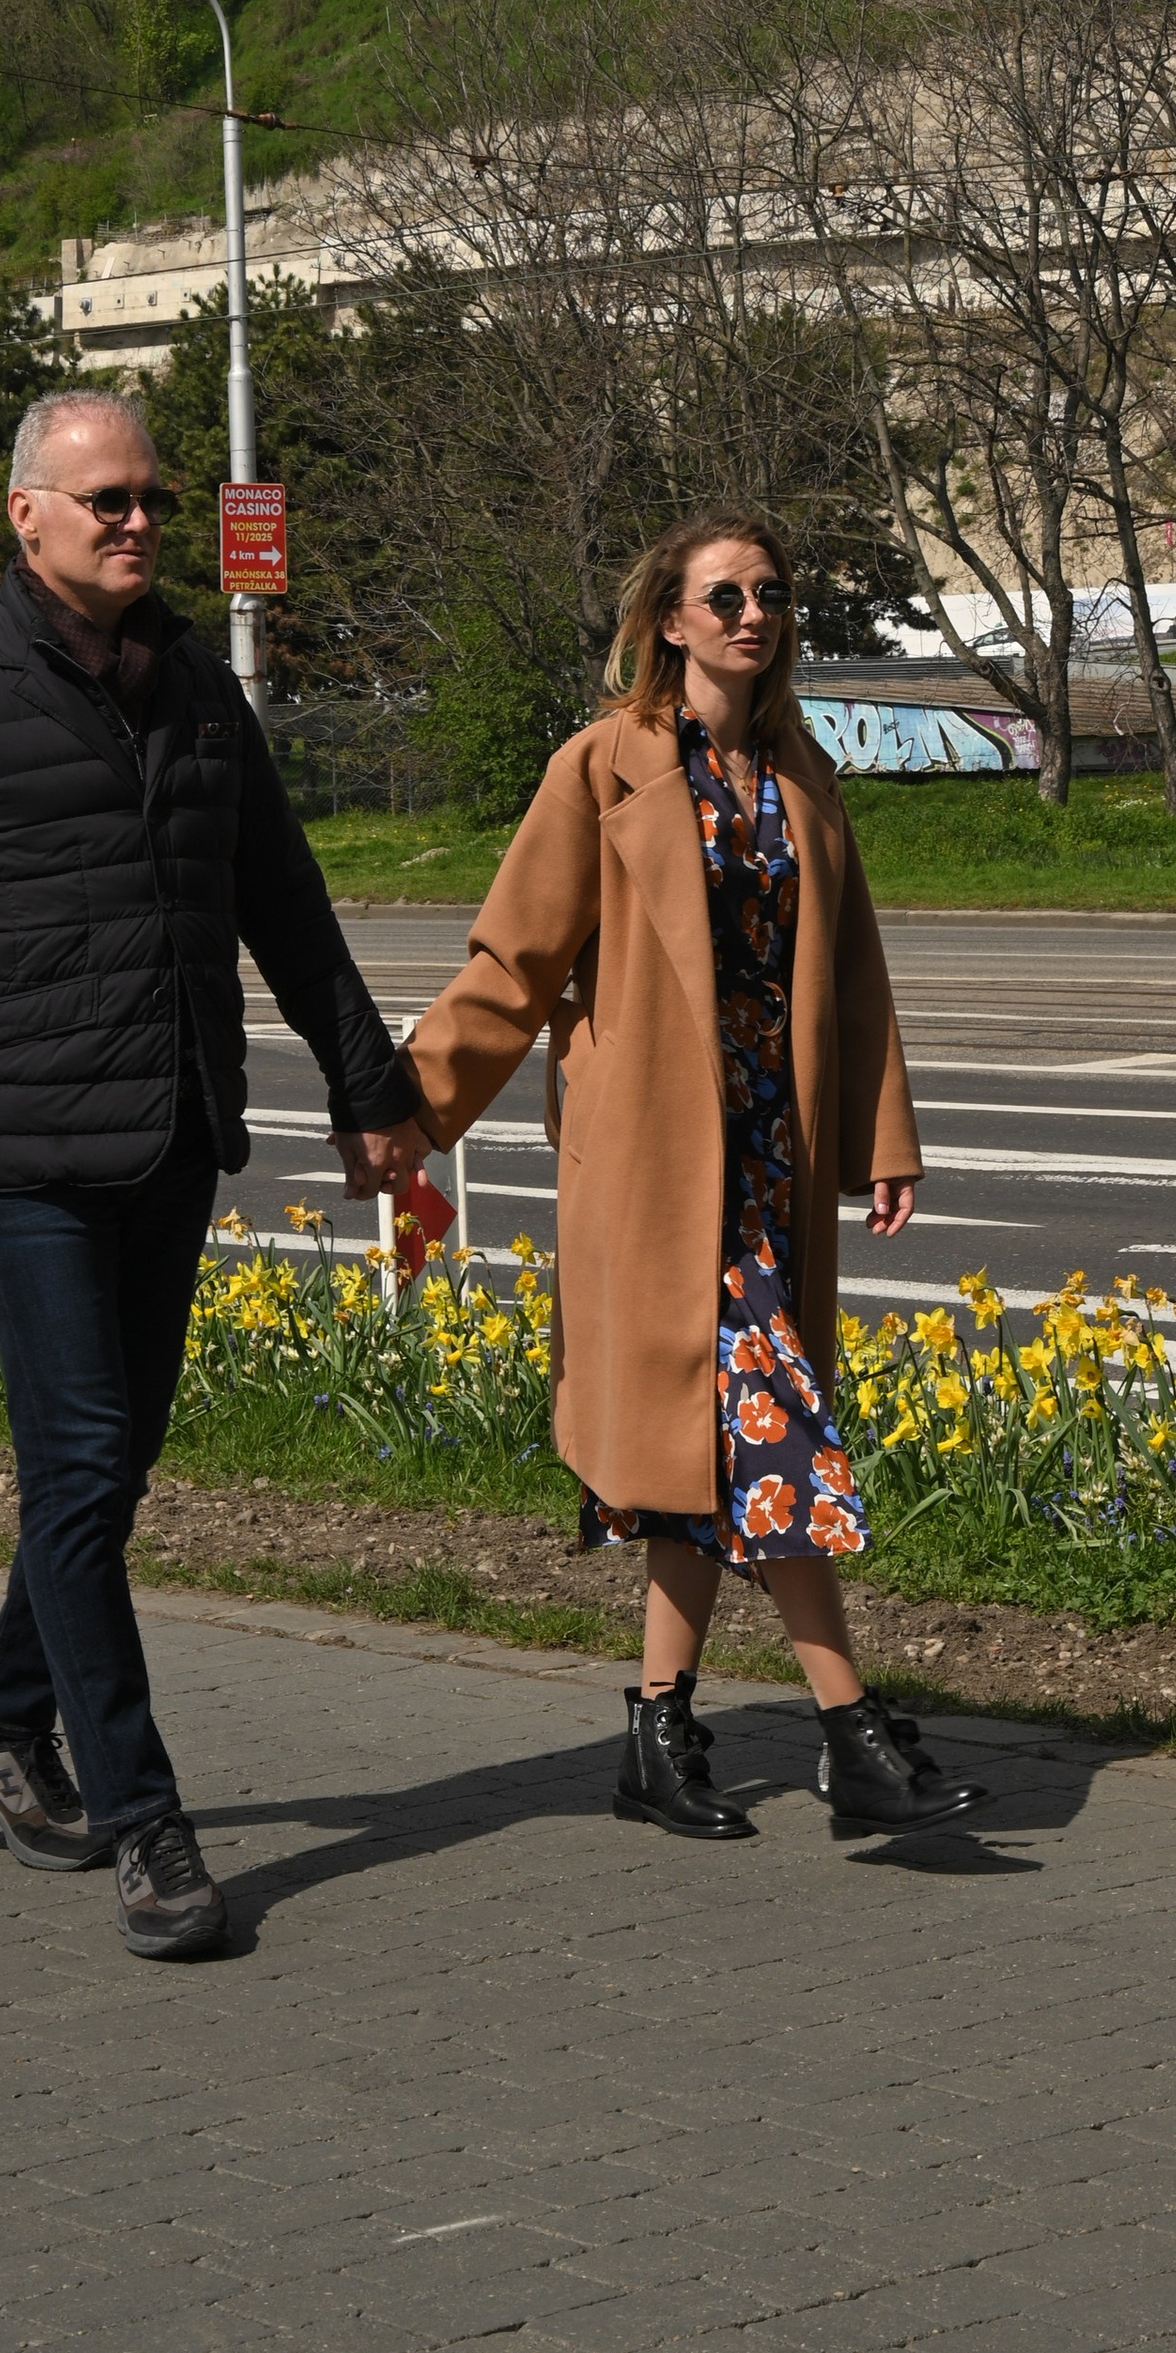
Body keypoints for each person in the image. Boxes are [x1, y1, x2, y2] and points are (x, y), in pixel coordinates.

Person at [0, 389, 425, 1962]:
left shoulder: (203, 701)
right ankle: (146, 1820)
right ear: (25, 518)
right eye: (103, 500)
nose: (136, 521)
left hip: (169, 1134)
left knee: (107, 1474)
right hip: (21, 1153)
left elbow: (285, 903)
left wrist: (373, 1091)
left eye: (149, 497)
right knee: (82, 1466)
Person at [406, 511, 984, 1843]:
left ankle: (658, 1736)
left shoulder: (798, 774)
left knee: (705, 1450)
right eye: (722, 595)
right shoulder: (602, 769)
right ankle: (850, 1735)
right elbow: (513, 962)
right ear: (669, 619)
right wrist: (414, 1109)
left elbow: (854, 973)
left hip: (768, 1158)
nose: (751, 614)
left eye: (769, 593)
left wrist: (883, 1134)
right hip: (660, 1166)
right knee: (774, 1436)